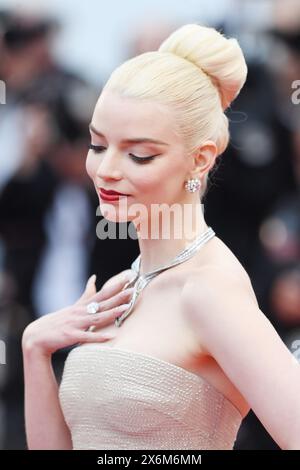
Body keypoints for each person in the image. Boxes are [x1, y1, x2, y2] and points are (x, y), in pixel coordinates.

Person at [22, 23, 300, 450]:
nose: (107, 169)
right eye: (97, 146)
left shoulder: (207, 290)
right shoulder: (124, 286)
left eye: (139, 154)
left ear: (200, 160)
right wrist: (34, 349)